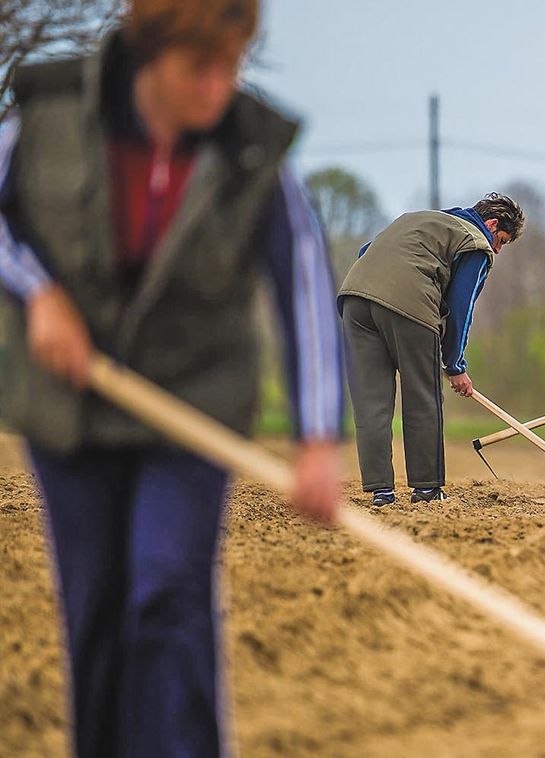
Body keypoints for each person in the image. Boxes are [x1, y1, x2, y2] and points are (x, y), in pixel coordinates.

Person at [0, 2, 345, 755]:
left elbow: (304, 287)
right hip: (71, 406)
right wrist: (39, 292)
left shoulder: (253, 151)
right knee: (93, 604)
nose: (218, 89)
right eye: (200, 68)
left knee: (166, 590)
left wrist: (316, 436)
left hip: (193, 402)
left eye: (233, 65)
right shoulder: (49, 115)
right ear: (149, 53)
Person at [338, 194, 524, 506]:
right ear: (491, 224)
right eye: (501, 240)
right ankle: (426, 489)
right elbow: (460, 307)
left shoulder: (416, 219)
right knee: (422, 397)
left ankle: (381, 491)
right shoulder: (476, 242)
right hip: (409, 305)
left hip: (355, 300)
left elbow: (364, 252)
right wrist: (455, 365)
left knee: (372, 402)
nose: (497, 249)